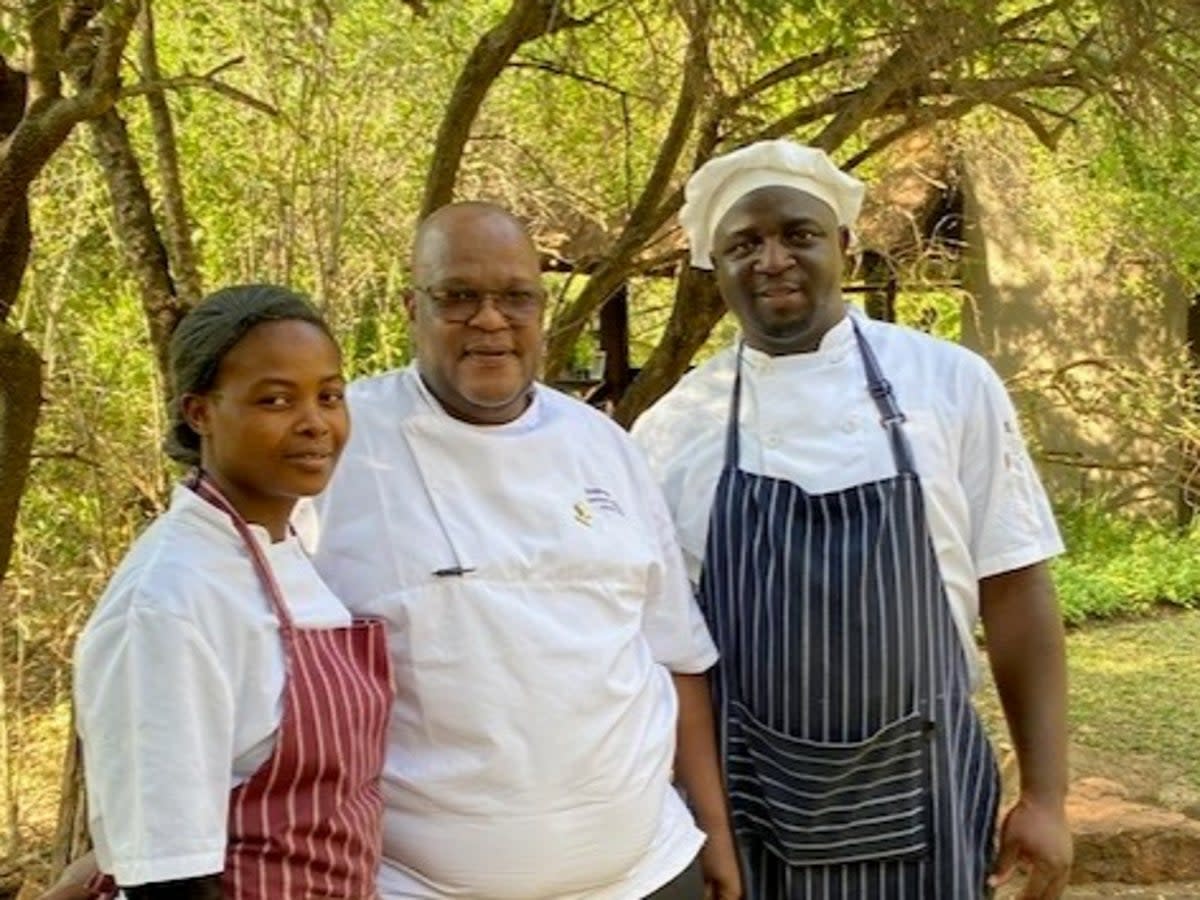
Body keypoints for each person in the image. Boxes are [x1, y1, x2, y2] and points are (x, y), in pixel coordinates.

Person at [631, 140, 1073, 899]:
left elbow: (1015, 589)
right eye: (744, 243)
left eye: (798, 234)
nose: (772, 259)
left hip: (926, 799)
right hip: (749, 819)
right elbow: (668, 661)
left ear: (843, 244)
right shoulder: (672, 431)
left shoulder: (950, 384)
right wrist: (691, 822)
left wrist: (1046, 798)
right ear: (714, 266)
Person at [305, 201, 742, 900]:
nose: (490, 320)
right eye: (459, 296)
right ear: (411, 305)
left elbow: (677, 657)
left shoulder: (606, 447)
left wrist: (714, 830)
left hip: (649, 875)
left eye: (515, 297)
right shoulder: (337, 451)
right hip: (418, 888)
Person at [61, 285, 393, 899]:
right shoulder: (169, 600)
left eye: (330, 396)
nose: (314, 423)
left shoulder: (282, 549)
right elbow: (168, 877)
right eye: (275, 399)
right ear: (200, 412)